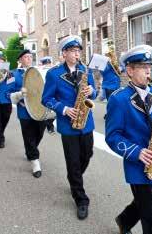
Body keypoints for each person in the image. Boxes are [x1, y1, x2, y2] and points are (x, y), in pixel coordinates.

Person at [105, 45, 152, 234]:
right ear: (129, 70)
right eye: (143, 67)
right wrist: (137, 152)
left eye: (149, 66)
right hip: (137, 163)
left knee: (144, 201)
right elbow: (112, 137)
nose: (148, 71)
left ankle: (124, 220)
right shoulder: (119, 99)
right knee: (149, 213)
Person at [42, 35, 96, 220]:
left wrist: (92, 91)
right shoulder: (54, 74)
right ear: (64, 53)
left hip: (86, 122)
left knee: (87, 155)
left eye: (78, 51)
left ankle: (74, 179)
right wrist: (64, 109)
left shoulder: (85, 69)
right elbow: (46, 99)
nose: (77, 54)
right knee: (73, 161)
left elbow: (94, 91)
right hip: (68, 124)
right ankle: (81, 199)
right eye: (73, 51)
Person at [9, 49, 46, 178]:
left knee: (39, 133)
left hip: (40, 109)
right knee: (29, 135)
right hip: (24, 110)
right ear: (20, 60)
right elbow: (8, 94)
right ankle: (35, 162)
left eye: (30, 56)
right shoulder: (13, 74)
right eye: (26, 57)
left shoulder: (38, 71)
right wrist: (19, 94)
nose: (29, 59)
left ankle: (30, 150)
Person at [40, 56, 55, 134]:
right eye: (46, 63)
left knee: (54, 111)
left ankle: (49, 124)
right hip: (44, 92)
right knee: (47, 110)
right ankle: (49, 126)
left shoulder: (53, 70)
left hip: (54, 92)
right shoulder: (40, 71)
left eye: (49, 63)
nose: (47, 65)